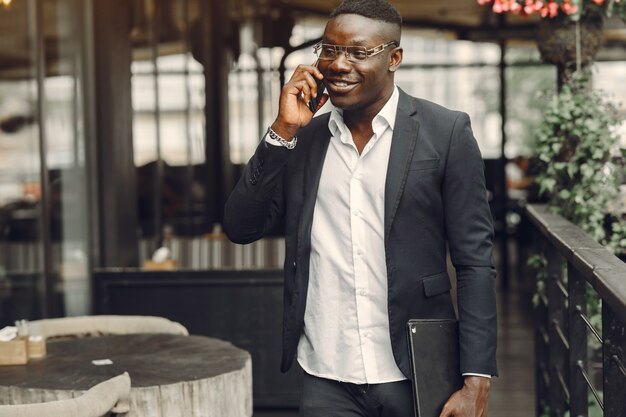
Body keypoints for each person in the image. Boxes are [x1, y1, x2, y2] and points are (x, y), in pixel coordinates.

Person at [223, 0, 497, 415]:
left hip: (414, 370)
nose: (338, 64)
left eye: (357, 52)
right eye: (329, 50)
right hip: (325, 373)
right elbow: (240, 226)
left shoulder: (446, 132)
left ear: (394, 58)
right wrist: (282, 131)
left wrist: (477, 378)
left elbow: (475, 262)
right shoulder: (304, 140)